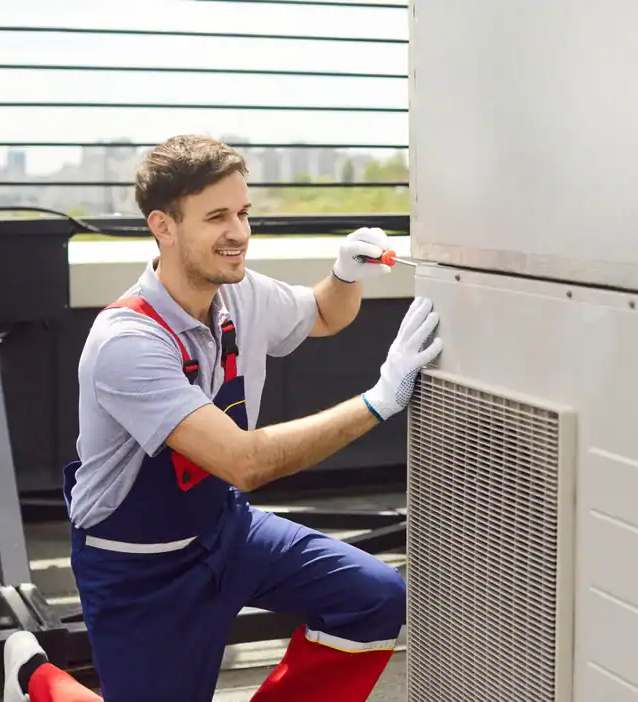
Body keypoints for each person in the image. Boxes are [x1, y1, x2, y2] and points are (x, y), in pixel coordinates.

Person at [22, 134, 442, 702]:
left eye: (244, 212)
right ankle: (36, 681)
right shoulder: (127, 343)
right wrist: (379, 400)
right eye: (217, 216)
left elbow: (322, 312)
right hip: (141, 572)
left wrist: (345, 275)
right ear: (163, 226)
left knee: (374, 596)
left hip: (225, 529)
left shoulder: (238, 294)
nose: (240, 233)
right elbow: (244, 462)